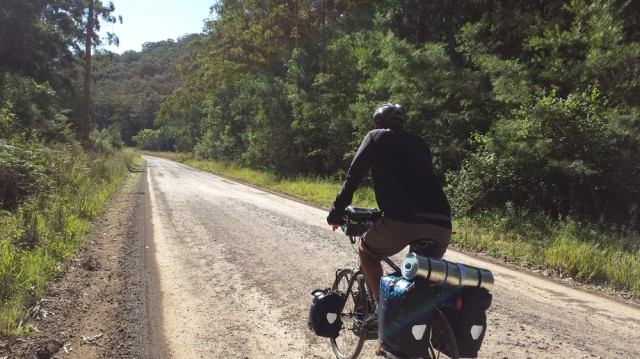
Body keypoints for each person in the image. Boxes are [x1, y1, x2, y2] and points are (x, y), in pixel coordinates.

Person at [327, 103, 452, 326]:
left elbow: (353, 177)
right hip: (441, 222)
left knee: (367, 251)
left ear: (377, 124)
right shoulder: (420, 143)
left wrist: (336, 212)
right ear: (402, 123)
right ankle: (428, 329)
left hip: (404, 219)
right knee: (417, 275)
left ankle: (381, 310)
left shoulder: (376, 137)